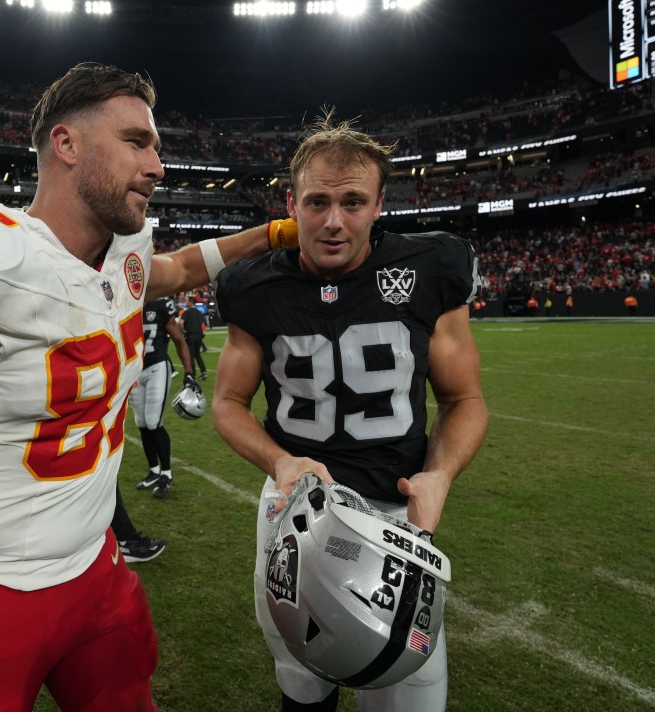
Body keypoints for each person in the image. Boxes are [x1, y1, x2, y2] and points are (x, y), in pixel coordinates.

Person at [0, 62, 298, 712]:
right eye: (136, 142)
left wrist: (266, 236)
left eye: (155, 146)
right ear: (66, 145)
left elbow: (178, 269)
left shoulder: (121, 257)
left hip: (95, 569)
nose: (157, 166)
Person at [211, 114, 489, 712]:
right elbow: (228, 403)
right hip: (295, 512)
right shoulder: (253, 285)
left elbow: (464, 400)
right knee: (304, 682)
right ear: (292, 203)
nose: (334, 221)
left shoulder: (430, 268)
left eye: (353, 201)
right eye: (317, 202)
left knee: (409, 690)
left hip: (396, 520)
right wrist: (280, 460)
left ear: (379, 203)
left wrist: (439, 474)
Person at [131, 295, 197, 500]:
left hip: (157, 367)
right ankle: (154, 470)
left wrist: (188, 372)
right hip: (134, 371)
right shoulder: (124, 300)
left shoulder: (160, 304)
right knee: (141, 422)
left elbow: (178, 339)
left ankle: (166, 474)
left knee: (153, 421)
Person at [180, 295, 208, 380]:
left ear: (190, 302)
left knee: (191, 356)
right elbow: (203, 324)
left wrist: (183, 331)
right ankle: (204, 372)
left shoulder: (187, 312)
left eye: (187, 301)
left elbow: (180, 322)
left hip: (190, 335)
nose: (186, 302)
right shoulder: (199, 312)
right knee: (197, 355)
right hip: (199, 335)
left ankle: (193, 375)